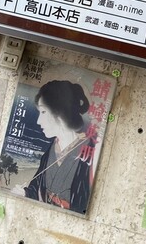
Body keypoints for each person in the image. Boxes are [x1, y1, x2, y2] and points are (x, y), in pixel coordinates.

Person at [12, 79, 94, 214]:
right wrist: (25, 193)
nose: (38, 121)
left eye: (43, 112)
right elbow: (36, 187)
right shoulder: (49, 152)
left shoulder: (87, 150)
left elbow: (83, 200)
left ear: (60, 112)